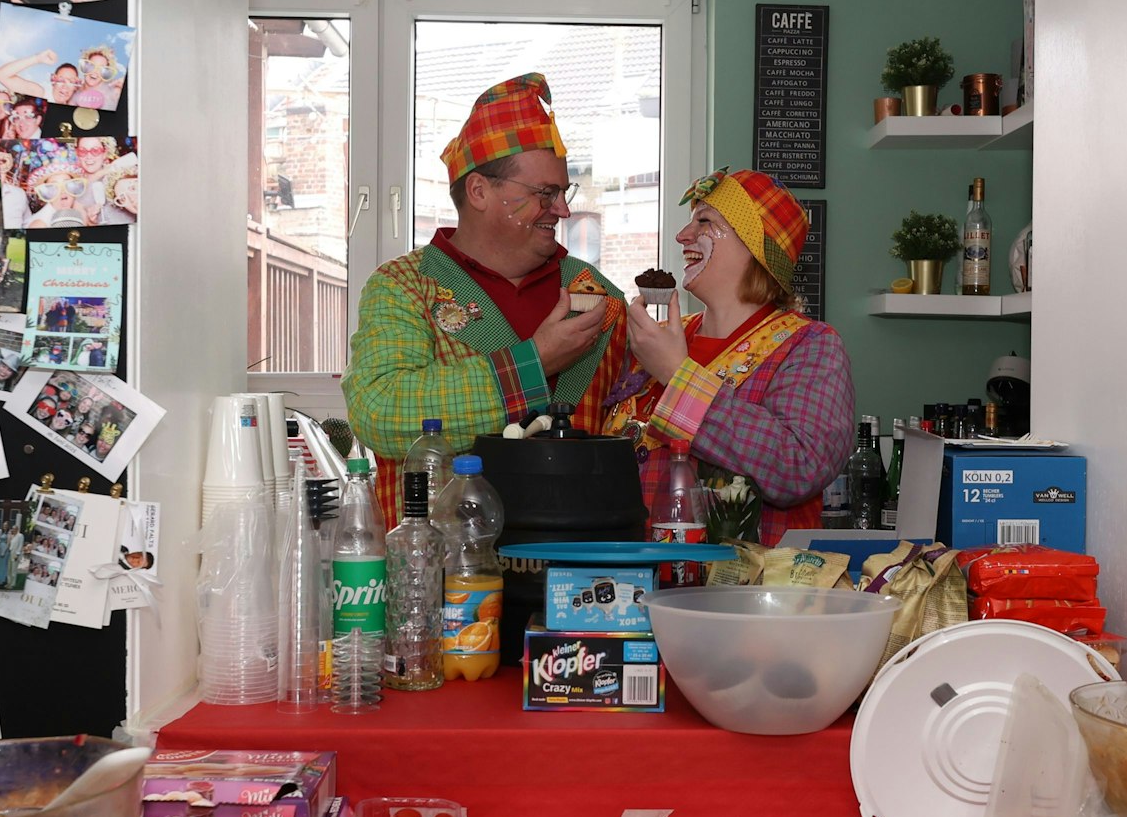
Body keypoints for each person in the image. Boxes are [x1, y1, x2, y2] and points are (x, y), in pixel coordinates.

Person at [344, 74, 628, 523]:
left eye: (563, 192)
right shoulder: (404, 286)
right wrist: (534, 364)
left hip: (576, 571)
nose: (564, 210)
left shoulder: (596, 294)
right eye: (545, 194)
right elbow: (381, 412)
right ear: (479, 191)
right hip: (442, 572)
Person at [600, 169, 855, 545]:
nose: (682, 236)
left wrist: (677, 374)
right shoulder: (660, 338)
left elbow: (797, 468)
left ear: (756, 247)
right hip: (632, 588)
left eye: (705, 221)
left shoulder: (809, 346)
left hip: (743, 593)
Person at [0, 48, 80, 104]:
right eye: (61, 80)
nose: (65, 87)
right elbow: (1, 74)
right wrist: (37, 59)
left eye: (71, 82)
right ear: (53, 81)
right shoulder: (40, 94)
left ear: (75, 87)